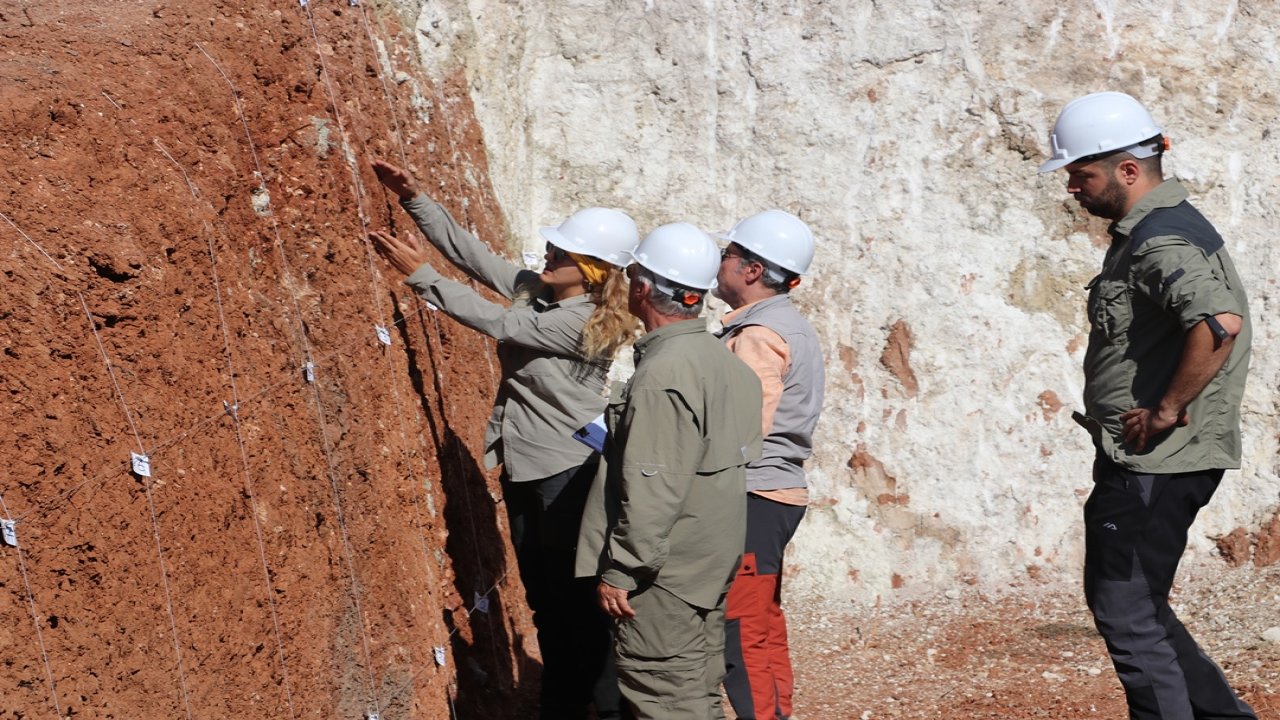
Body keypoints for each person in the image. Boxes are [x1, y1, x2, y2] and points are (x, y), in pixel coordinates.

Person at [368, 159, 638, 720]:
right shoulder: (543, 294)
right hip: (527, 465)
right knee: (544, 600)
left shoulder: (580, 321)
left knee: (574, 604)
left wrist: (422, 278)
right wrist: (415, 198)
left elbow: (499, 324)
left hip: (567, 472)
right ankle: (565, 703)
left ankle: (597, 707)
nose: (549, 256)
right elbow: (476, 257)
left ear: (589, 271)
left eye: (561, 254)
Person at [1039, 92, 1256, 720]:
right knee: (1140, 603)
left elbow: (1218, 323)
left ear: (1127, 170)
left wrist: (1165, 409)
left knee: (1125, 610)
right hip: (1154, 463)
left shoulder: (1162, 240)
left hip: (1157, 463)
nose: (1074, 188)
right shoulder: (1161, 229)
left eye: (1081, 173)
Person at [575, 222, 764, 720]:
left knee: (663, 694)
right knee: (696, 686)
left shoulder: (662, 376)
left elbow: (654, 487)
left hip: (665, 572)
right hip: (707, 562)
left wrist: (621, 570)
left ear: (641, 289)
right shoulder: (725, 364)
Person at [712, 210, 824, 720]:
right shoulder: (789, 325)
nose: (720, 263)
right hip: (774, 494)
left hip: (753, 495)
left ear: (753, 270)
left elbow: (740, 426)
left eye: (727, 256)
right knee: (762, 621)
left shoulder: (759, 334)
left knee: (742, 627)